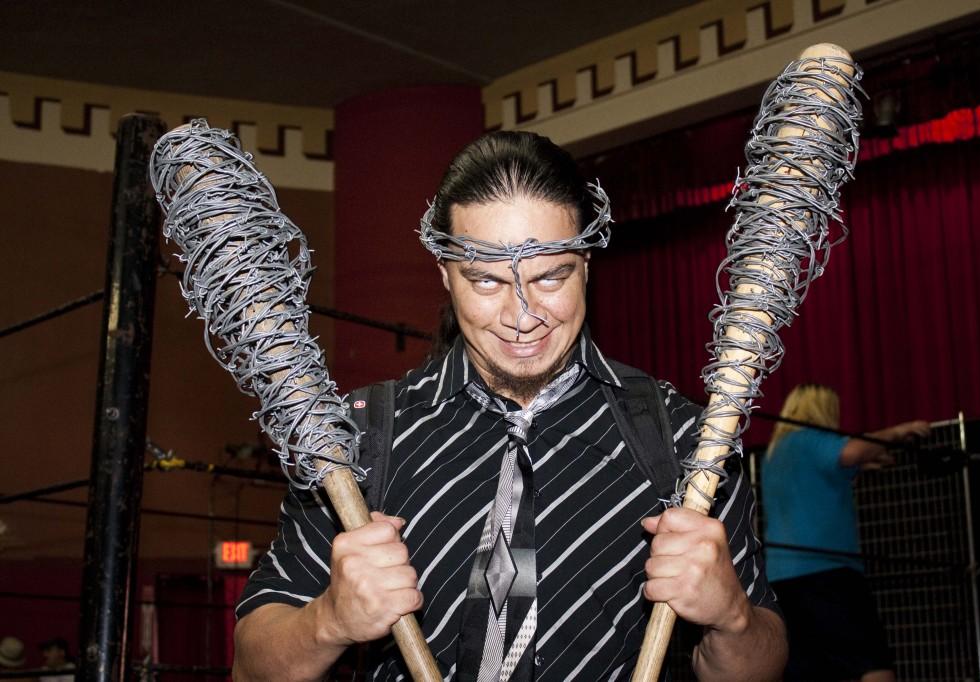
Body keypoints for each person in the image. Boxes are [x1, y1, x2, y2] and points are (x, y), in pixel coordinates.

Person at [232, 131, 786, 681]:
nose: (522, 317)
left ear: (587, 263)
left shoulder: (685, 440)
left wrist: (731, 618)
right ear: (445, 274)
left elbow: (762, 663)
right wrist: (329, 620)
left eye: (551, 276)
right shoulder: (355, 439)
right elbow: (251, 666)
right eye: (486, 280)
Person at [760, 383, 930, 681]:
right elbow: (852, 452)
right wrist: (899, 432)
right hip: (827, 571)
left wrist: (869, 463)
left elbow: (835, 468)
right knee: (873, 666)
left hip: (782, 580)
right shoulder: (811, 439)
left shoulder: (774, 454)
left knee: (809, 669)